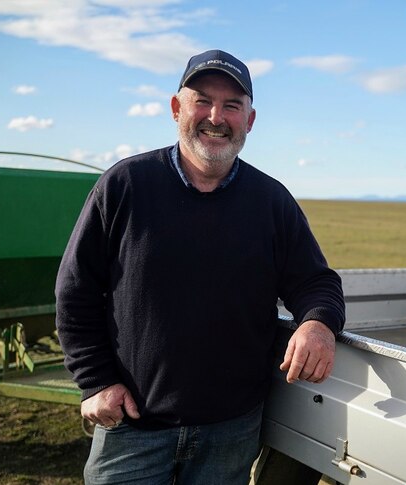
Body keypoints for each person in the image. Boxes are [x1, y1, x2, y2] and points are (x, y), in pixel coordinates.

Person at [55, 49, 345, 484]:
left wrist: (317, 325)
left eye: (232, 105)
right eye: (203, 101)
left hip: (230, 433)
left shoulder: (271, 202)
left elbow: (316, 282)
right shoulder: (125, 186)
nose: (216, 116)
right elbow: (75, 291)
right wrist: (95, 381)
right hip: (133, 427)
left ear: (249, 120)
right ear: (176, 109)